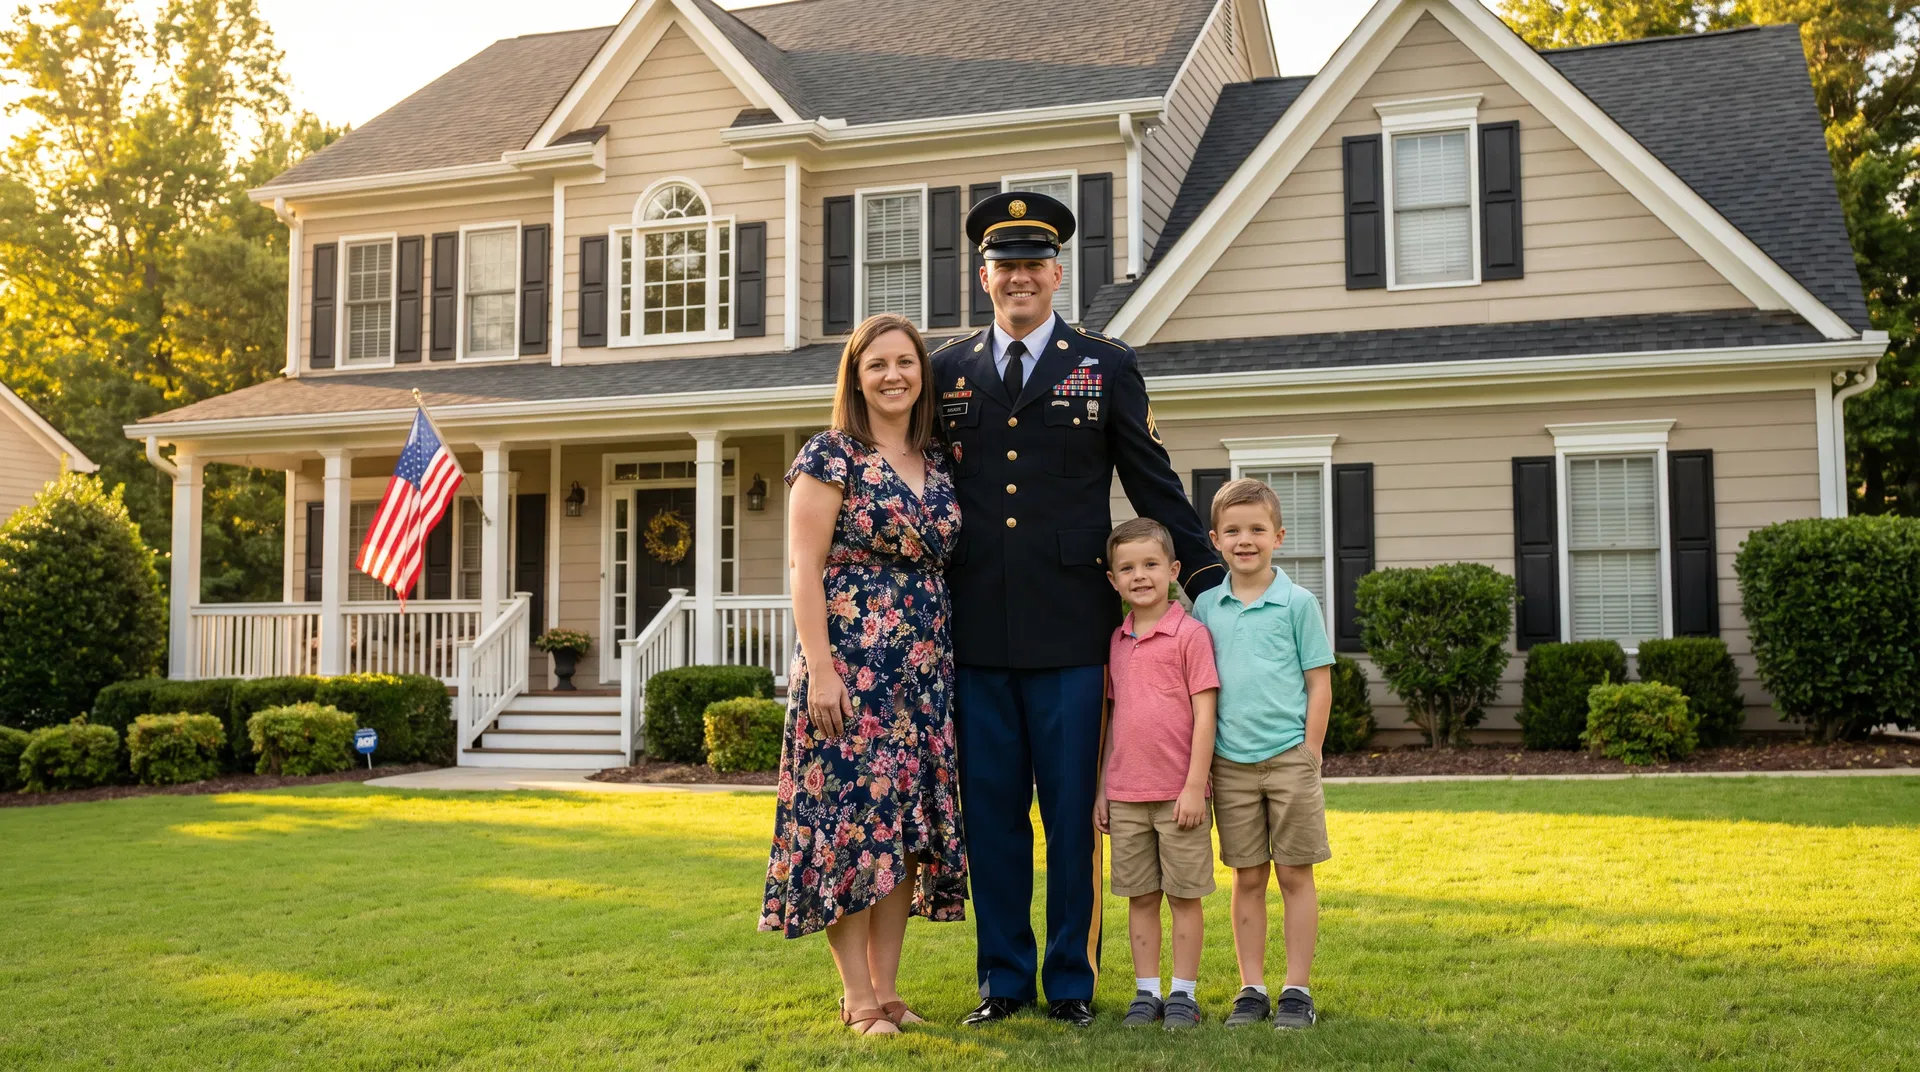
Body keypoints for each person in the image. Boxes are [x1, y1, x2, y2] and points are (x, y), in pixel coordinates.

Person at [931, 191, 1224, 1028]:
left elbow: (1151, 478)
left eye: (1033, 263)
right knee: (992, 820)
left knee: (1070, 816)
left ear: (1058, 272)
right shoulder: (947, 370)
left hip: (1070, 632)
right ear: (983, 276)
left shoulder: (1105, 364)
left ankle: (1069, 983)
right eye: (1003, 264)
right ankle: (1001, 981)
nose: (1018, 277)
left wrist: (1206, 588)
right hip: (975, 632)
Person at [759, 313, 968, 1037]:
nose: (893, 375)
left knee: (903, 833)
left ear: (922, 373)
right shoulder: (830, 456)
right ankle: (856, 998)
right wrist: (820, 667)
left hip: (923, 676)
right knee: (850, 828)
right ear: (855, 375)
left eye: (905, 362)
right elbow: (803, 568)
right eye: (876, 364)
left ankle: (888, 991)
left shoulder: (939, 461)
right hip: (849, 669)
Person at [1190, 478, 1335, 1030]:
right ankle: (1251, 988)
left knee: (1295, 875)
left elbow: (1318, 682)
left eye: (1256, 530)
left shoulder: (1298, 603)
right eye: (1233, 531)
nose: (1244, 540)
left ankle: (1296, 990)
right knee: (1247, 877)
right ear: (1215, 540)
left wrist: (1311, 751)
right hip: (1230, 764)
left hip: (1289, 758)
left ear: (1278, 535)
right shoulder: (1207, 606)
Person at [1092, 517, 1219, 1031]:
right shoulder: (1115, 642)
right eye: (1127, 568)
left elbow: (1206, 715)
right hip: (1125, 796)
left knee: (1184, 896)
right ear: (1113, 580)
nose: (1139, 576)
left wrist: (1194, 787)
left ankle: (1183, 995)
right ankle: (1146, 994)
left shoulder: (1191, 636)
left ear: (1173, 570)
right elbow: (1112, 722)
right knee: (1140, 897)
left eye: (1149, 565)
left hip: (1178, 796)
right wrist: (1102, 789)